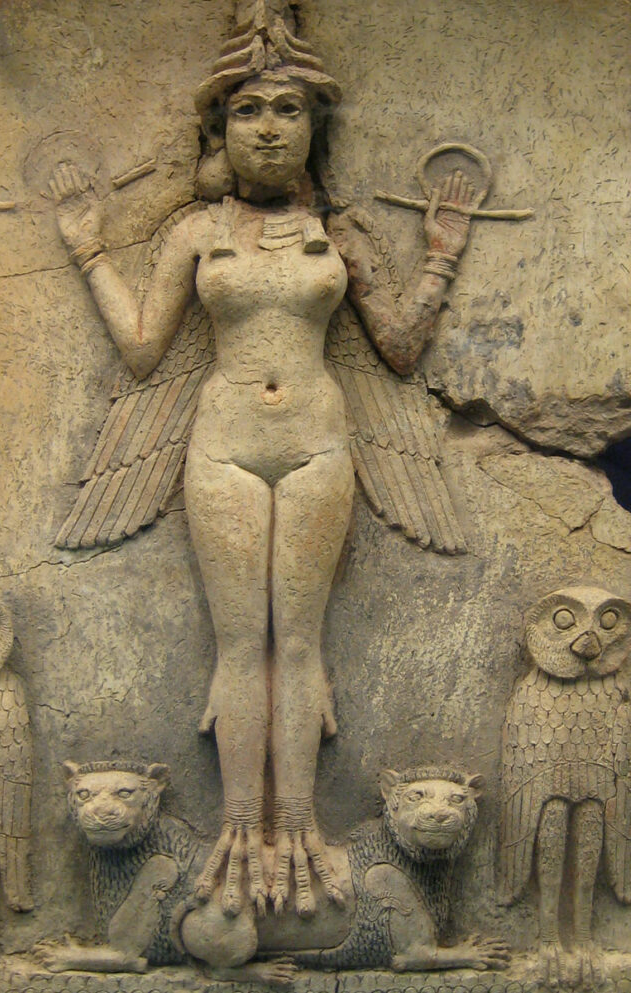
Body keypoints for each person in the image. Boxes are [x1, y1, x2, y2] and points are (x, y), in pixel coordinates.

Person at [50, 2, 473, 920]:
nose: (270, 128)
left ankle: (300, 823)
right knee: (243, 642)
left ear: (316, 127)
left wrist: (442, 254)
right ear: (220, 130)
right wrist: (87, 247)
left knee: (300, 640)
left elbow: (401, 348)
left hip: (317, 440)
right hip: (225, 442)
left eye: (288, 109)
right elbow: (142, 348)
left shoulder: (341, 232)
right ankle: (241, 824)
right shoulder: (196, 231)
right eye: (248, 111)